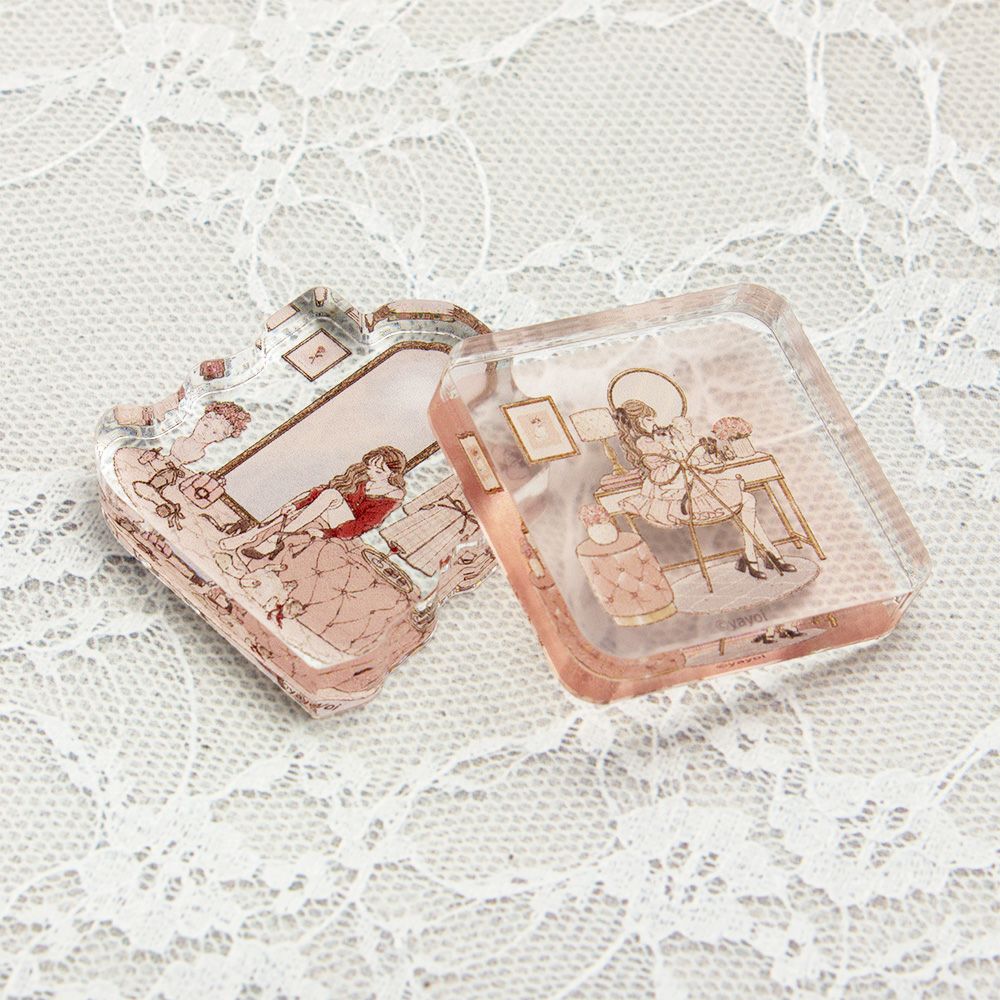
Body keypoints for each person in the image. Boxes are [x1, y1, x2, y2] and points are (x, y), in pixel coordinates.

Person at [613, 399, 794, 580]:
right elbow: (670, 467)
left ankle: (760, 554)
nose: (654, 422)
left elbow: (683, 460)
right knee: (747, 500)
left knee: (747, 500)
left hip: (688, 485)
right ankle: (760, 555)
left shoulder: (654, 440)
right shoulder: (647, 442)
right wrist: (675, 448)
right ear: (639, 422)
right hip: (679, 495)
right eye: (649, 419)